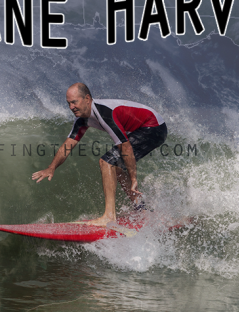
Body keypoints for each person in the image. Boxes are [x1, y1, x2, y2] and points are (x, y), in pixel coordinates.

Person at [31, 83, 167, 227]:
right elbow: (67, 146)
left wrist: (133, 178)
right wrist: (51, 168)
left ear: (87, 99)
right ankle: (142, 209)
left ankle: (109, 216)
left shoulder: (104, 113)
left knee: (106, 161)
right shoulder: (82, 119)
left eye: (74, 102)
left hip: (153, 127)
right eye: (69, 103)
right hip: (144, 127)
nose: (71, 107)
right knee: (114, 167)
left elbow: (125, 147)